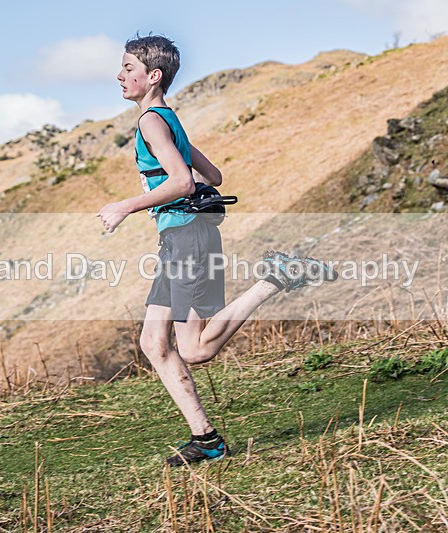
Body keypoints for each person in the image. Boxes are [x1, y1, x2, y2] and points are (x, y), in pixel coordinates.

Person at [97, 34, 336, 466]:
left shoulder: (151, 121)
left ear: (153, 76)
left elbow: (184, 182)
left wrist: (126, 206)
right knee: (154, 342)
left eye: (129, 68)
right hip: (180, 237)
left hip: (188, 238)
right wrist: (178, 181)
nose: (120, 75)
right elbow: (212, 176)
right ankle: (206, 440)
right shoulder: (165, 119)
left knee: (195, 350)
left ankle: (275, 279)